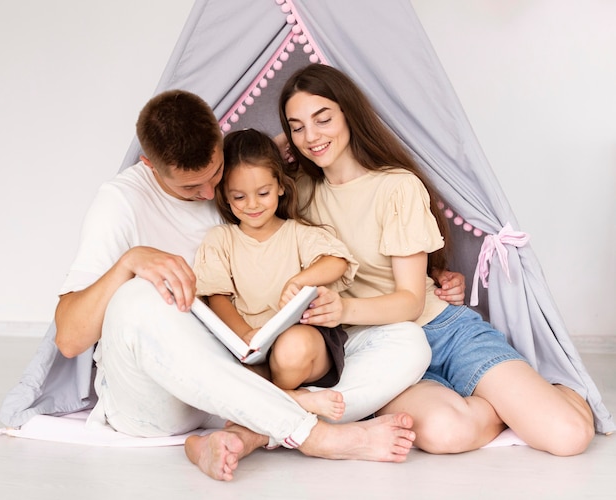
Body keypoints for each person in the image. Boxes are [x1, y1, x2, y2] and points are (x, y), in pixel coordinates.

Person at [51, 89, 443, 482]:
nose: (209, 195)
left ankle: (254, 427)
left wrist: (438, 271)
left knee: (407, 342)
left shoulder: (245, 176)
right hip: (160, 401)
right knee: (140, 295)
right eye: (191, 188)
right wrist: (129, 262)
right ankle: (313, 432)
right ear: (150, 166)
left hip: (240, 383)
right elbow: (69, 339)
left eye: (216, 177)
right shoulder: (120, 202)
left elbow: (324, 227)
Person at [277, 63, 595, 457]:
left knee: (569, 437)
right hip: (380, 348)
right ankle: (507, 403)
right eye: (297, 126)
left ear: (349, 114)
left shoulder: (397, 185)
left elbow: (411, 301)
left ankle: (556, 392)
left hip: (441, 327)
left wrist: (342, 308)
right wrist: (278, 147)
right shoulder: (299, 195)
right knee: (446, 434)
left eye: (323, 119)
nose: (311, 136)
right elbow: (248, 175)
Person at [194, 128, 360, 421]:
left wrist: (299, 280)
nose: (253, 205)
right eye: (239, 197)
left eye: (263, 193)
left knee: (291, 349)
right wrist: (245, 335)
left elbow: (337, 262)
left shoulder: (297, 233)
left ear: (281, 186)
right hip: (248, 344)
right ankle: (293, 400)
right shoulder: (221, 240)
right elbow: (217, 298)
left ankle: (270, 400)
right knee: (227, 372)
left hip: (303, 343)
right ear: (225, 196)